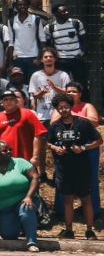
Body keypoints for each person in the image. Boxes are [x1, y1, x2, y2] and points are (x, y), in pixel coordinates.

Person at [43, 92, 100, 239]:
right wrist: (55, 148)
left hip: (82, 168)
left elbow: (99, 140)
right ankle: (69, 230)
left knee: (86, 198)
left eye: (66, 107)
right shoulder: (55, 125)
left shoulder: (83, 122)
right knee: (67, 199)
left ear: (71, 107)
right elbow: (48, 142)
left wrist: (84, 147)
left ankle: (89, 230)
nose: (63, 110)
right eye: (60, 108)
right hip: (64, 168)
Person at [0, 139, 40, 252]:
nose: (9, 152)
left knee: (25, 209)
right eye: (4, 150)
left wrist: (28, 196)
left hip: (24, 199)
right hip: (2, 207)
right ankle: (18, 223)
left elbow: (35, 177)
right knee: (9, 235)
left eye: (10, 149)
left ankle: (32, 242)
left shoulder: (20, 162)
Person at [0, 88, 47, 162]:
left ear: (16, 101)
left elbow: (38, 134)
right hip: (2, 162)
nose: (9, 101)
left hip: (25, 161)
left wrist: (35, 156)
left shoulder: (27, 114)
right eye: (6, 99)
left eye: (11, 99)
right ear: (1, 102)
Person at [42, 3, 85, 83]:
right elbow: (48, 44)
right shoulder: (50, 27)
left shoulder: (76, 23)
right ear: (56, 14)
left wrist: (83, 52)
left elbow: (84, 39)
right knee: (62, 83)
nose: (67, 12)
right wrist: (55, 55)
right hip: (61, 60)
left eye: (67, 10)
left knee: (81, 83)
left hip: (76, 58)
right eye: (63, 11)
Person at [27, 48, 72, 121]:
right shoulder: (36, 75)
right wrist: (42, 92)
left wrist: (54, 87)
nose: (48, 58)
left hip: (59, 116)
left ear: (55, 59)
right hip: (42, 116)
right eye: (45, 57)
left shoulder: (63, 75)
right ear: (41, 60)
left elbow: (68, 94)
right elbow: (34, 96)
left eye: (51, 56)